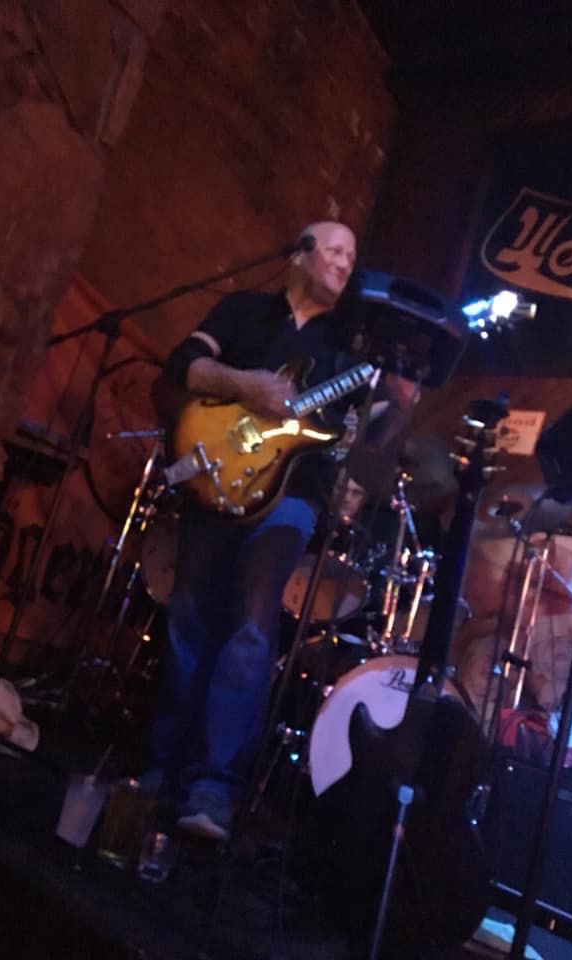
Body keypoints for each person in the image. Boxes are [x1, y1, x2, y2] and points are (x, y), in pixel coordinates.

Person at [145, 221, 420, 841]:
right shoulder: (244, 310)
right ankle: (165, 766)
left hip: (293, 495)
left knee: (250, 623)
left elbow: (386, 417)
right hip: (214, 478)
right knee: (189, 615)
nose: (347, 264)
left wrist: (364, 472)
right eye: (335, 251)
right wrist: (246, 386)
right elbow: (182, 364)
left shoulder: (352, 345)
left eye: (354, 255)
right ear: (299, 255)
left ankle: (214, 786)